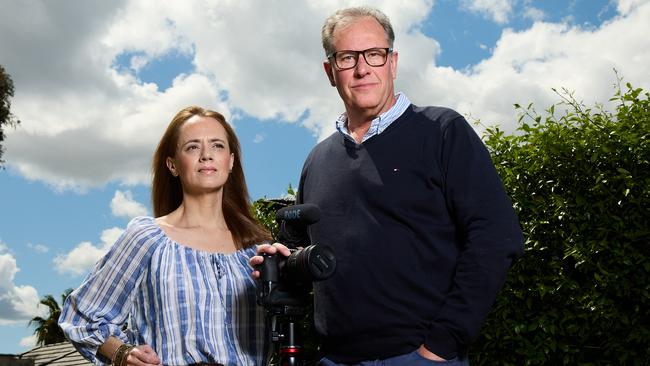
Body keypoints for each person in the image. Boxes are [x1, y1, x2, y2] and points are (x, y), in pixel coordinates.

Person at [251, 6, 524, 365]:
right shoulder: (317, 161)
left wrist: (441, 346)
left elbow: (496, 236)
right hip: (335, 359)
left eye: (374, 54)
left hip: (420, 356)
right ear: (330, 71)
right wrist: (279, 264)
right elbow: (306, 261)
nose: (362, 68)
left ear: (392, 62)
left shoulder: (442, 131)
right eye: (347, 57)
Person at [59, 106, 272, 366]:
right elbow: (81, 318)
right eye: (193, 147)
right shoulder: (147, 238)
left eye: (217, 145)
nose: (206, 155)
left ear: (230, 161)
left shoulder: (257, 249)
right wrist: (123, 354)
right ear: (172, 165)